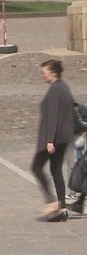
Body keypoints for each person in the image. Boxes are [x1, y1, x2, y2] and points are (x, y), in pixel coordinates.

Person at [31, 59, 76, 222]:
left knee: (36, 167)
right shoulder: (63, 87)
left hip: (53, 139)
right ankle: (62, 208)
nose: (43, 75)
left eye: (45, 72)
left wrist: (50, 140)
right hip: (63, 137)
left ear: (54, 73)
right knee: (56, 170)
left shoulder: (55, 90)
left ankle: (51, 202)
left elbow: (53, 116)